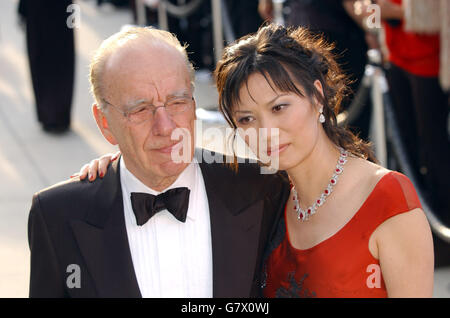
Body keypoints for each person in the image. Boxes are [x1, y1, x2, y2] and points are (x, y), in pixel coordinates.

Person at [83, 24, 434, 297]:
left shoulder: (387, 199)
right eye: (247, 119)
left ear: (316, 96)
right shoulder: (265, 189)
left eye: (279, 107)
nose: (267, 130)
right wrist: (120, 162)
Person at [28, 26, 290, 297]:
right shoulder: (57, 217)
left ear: (194, 103)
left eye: (177, 102)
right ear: (105, 123)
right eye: (140, 109)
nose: (165, 127)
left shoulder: (264, 190)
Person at [18, 0, 75, 133]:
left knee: (43, 60)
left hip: (41, 11)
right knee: (60, 60)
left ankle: (49, 115)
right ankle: (58, 114)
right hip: (57, 10)